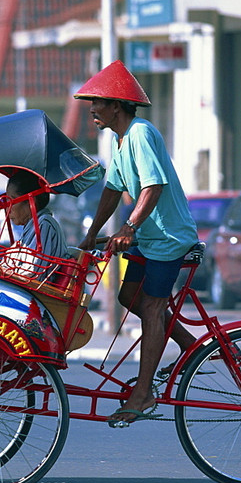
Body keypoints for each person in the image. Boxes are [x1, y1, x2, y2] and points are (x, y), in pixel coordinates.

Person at [74, 60, 199, 427]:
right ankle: (192, 346)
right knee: (128, 298)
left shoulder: (141, 133)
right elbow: (112, 189)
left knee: (152, 308)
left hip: (169, 239)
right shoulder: (120, 140)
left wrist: (128, 227)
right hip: (149, 238)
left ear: (116, 105)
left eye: (97, 102)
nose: (92, 109)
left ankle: (143, 394)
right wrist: (92, 232)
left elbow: (153, 185)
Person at [5, 169, 69, 280]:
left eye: (13, 200)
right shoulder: (30, 227)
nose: (8, 207)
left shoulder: (44, 223)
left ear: (31, 202)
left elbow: (33, 274)